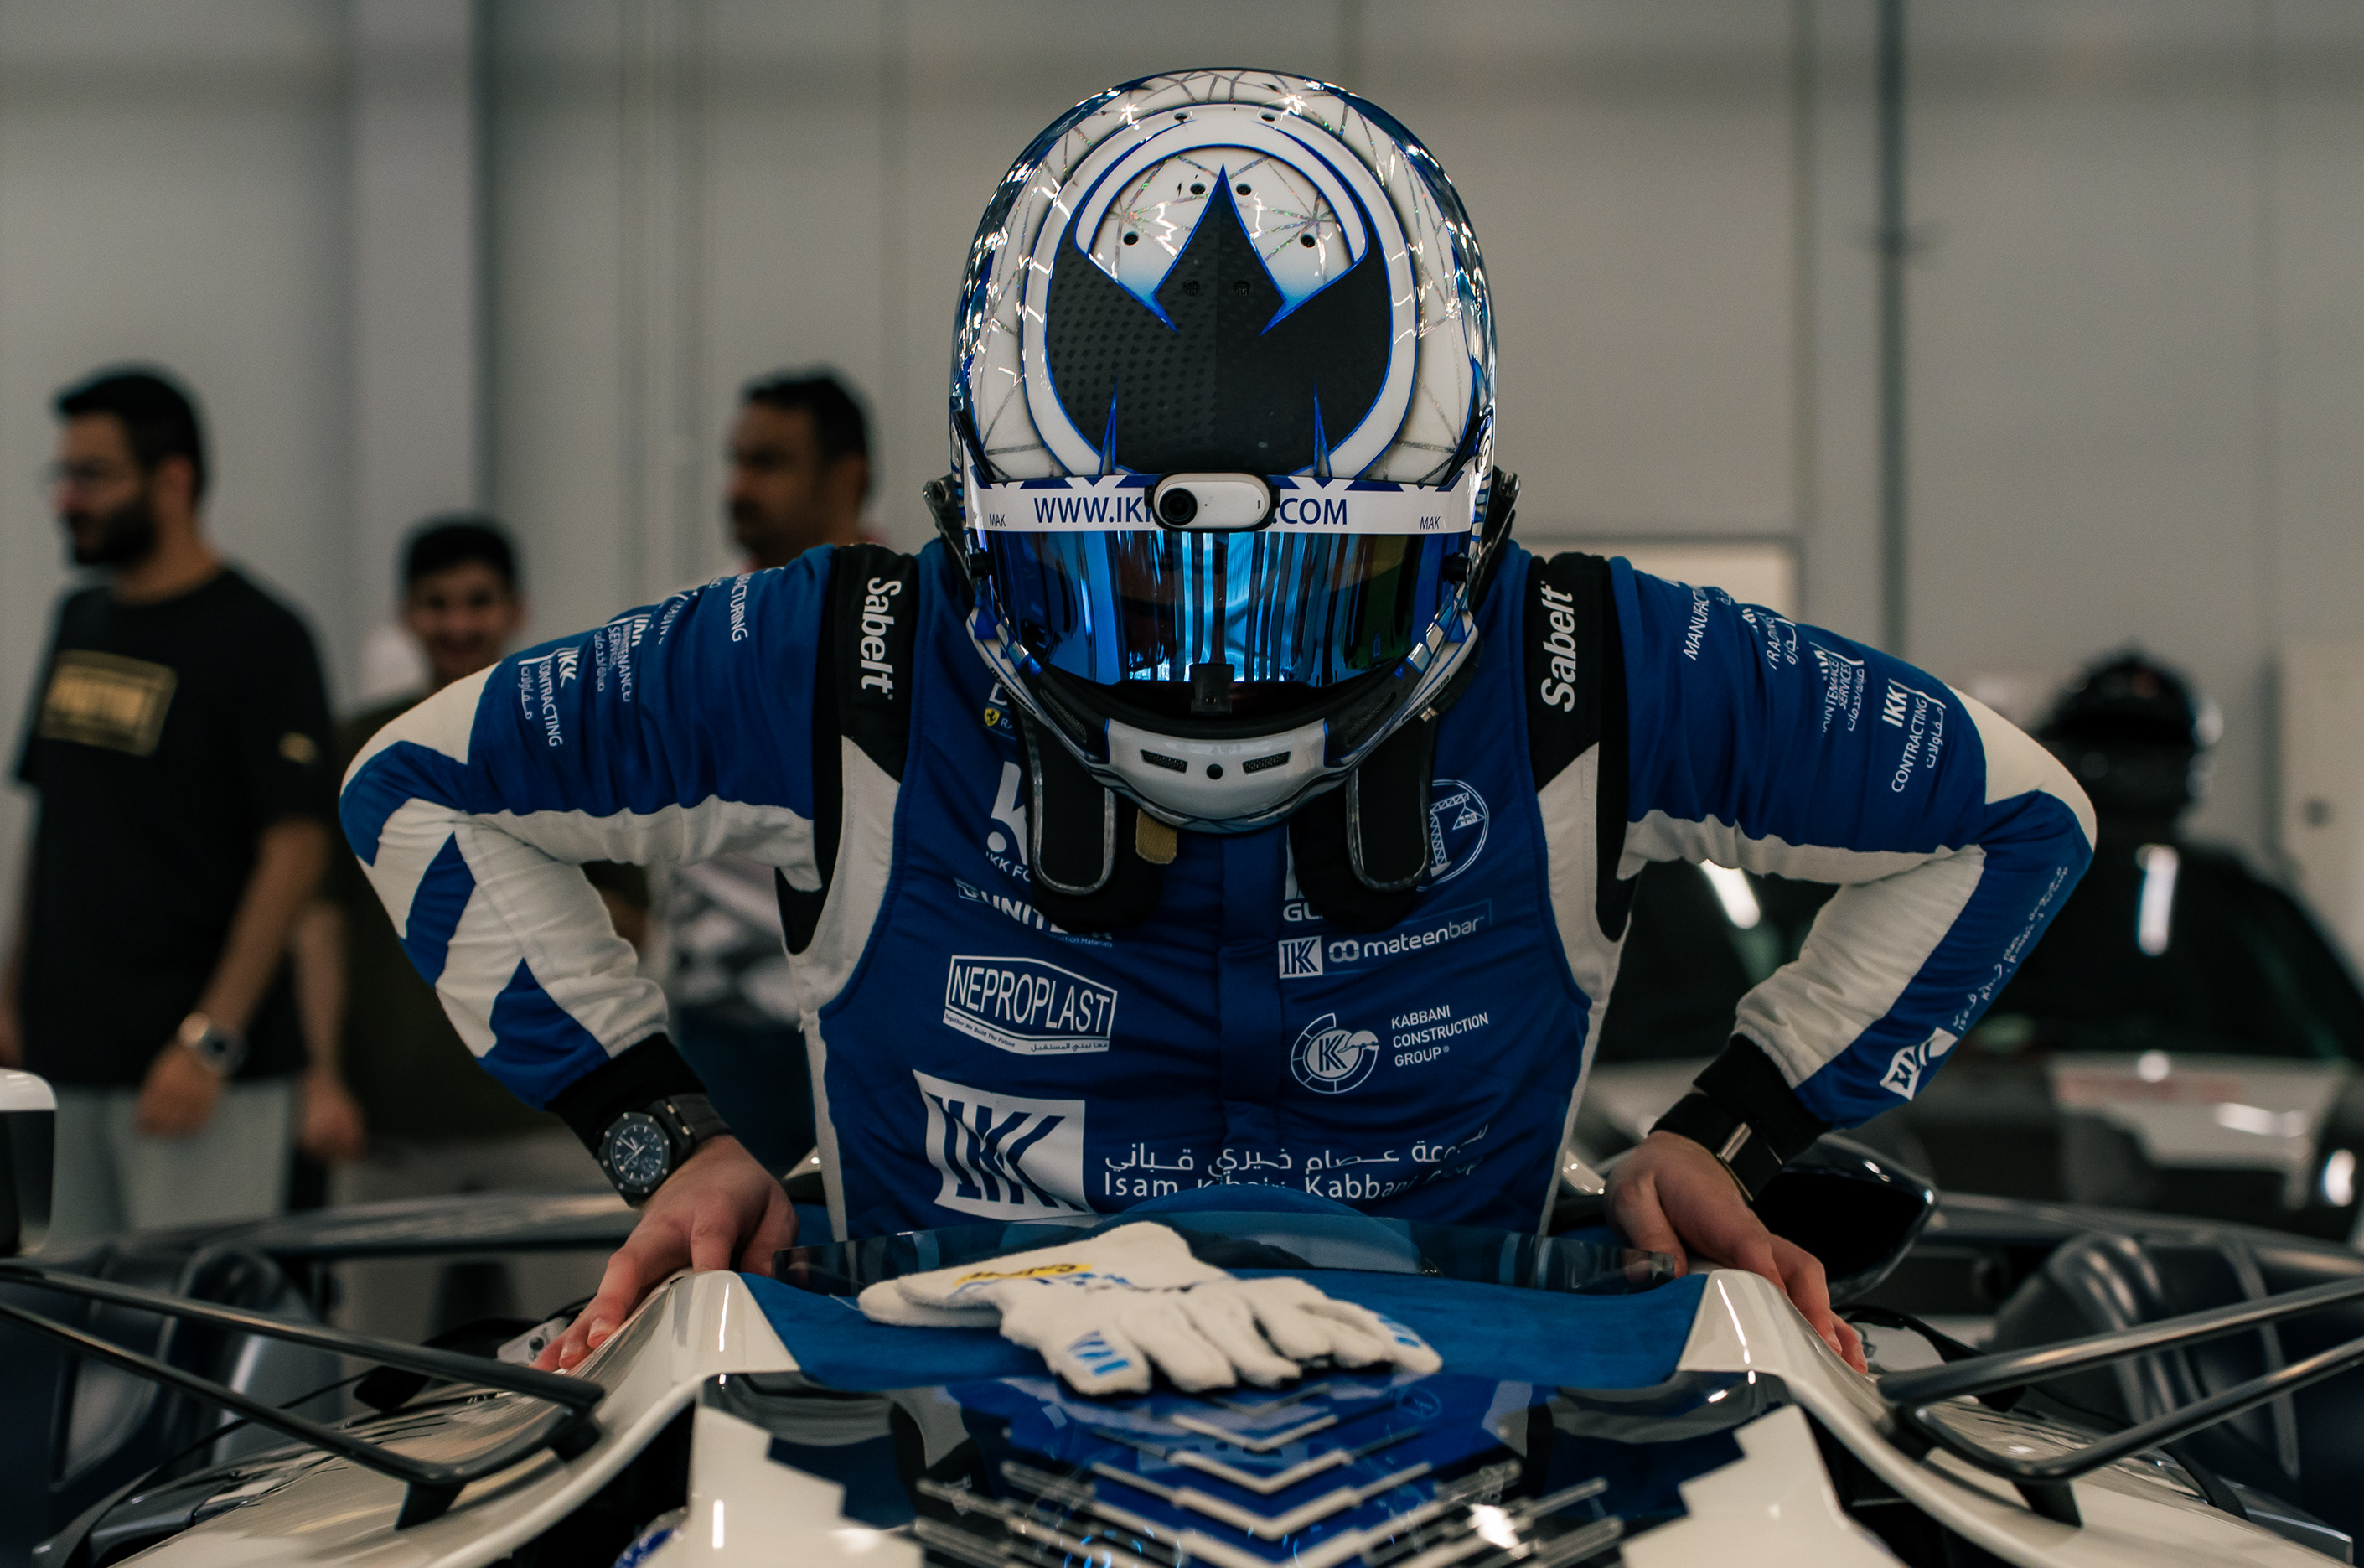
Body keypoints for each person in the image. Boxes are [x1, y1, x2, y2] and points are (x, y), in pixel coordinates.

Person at [342, 70, 2095, 1376]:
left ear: (1461, 532)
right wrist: (663, 1139)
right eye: (1133, 585)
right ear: (987, 525)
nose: (1213, 666)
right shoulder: (848, 649)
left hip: (1478, 1428)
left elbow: (2018, 818)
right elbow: (414, 781)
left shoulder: (1586, 657)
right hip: (917, 1423)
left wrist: (1729, 1137)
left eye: (1312, 587)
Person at [0, 367, 333, 1242]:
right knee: (68, 1305)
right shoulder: (78, 620)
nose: (67, 500)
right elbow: (54, 823)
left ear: (173, 480)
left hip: (202, 1073)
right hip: (66, 1056)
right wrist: (9, 1002)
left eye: (93, 476)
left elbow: (295, 851)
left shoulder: (261, 636)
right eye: (63, 475)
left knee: (188, 1310)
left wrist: (210, 1041)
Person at [294, 517, 645, 1338]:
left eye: (478, 602)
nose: (459, 623)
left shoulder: (570, 738)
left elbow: (632, 923)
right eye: (437, 603)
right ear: (407, 615)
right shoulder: (360, 747)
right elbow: (319, 922)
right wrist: (321, 1080)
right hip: (390, 1128)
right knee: (376, 1372)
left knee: (590, 1355)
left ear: (515, 609)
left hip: (556, 1114)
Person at [650, 368, 881, 1170]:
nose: (738, 487)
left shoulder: (925, 625)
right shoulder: (687, 632)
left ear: (846, 477)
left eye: (769, 463)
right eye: (736, 461)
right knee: (725, 1240)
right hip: (724, 1029)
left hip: (876, 1012)